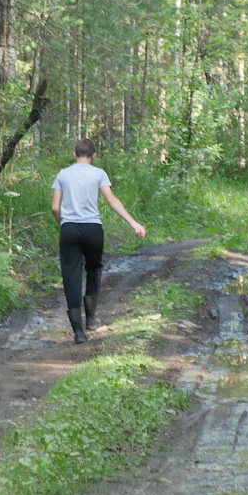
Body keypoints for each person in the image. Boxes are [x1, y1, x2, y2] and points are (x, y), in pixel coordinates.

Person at [51, 138, 146, 343]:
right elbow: (111, 200)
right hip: (93, 228)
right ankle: (91, 320)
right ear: (94, 156)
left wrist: (63, 224)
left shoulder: (63, 174)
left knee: (71, 275)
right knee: (93, 269)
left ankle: (78, 332)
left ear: (74, 155)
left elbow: (55, 208)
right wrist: (133, 223)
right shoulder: (98, 173)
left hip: (69, 228)